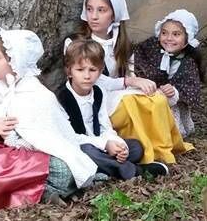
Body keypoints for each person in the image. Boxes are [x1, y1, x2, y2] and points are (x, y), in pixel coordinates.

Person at [0, 30, 97, 210]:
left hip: (31, 157)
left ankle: (41, 190)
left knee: (64, 171)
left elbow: (57, 136)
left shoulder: (38, 93)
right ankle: (36, 191)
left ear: (14, 60)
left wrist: (25, 142)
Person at [66, 0, 193, 164]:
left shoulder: (121, 43)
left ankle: (164, 148)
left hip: (117, 93)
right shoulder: (75, 43)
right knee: (131, 103)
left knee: (155, 98)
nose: (93, 16)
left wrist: (138, 82)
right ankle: (148, 154)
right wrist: (130, 81)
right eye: (90, 9)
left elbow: (129, 72)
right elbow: (96, 80)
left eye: (101, 10)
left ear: (114, 14)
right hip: (94, 97)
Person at [58, 40, 168, 179]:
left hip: (100, 144)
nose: (87, 76)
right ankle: (135, 171)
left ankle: (105, 167)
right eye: (80, 70)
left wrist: (119, 146)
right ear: (69, 71)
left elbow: (105, 126)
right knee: (87, 151)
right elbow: (69, 138)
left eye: (92, 70)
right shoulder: (61, 98)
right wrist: (105, 144)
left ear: (100, 71)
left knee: (135, 147)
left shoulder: (98, 92)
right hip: (78, 146)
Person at [134, 9, 204, 137]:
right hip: (150, 92)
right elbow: (138, 63)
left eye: (176, 34)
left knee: (171, 126)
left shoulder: (188, 62)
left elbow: (190, 88)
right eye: (164, 33)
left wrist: (173, 91)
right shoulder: (150, 48)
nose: (169, 38)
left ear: (187, 38)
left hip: (173, 101)